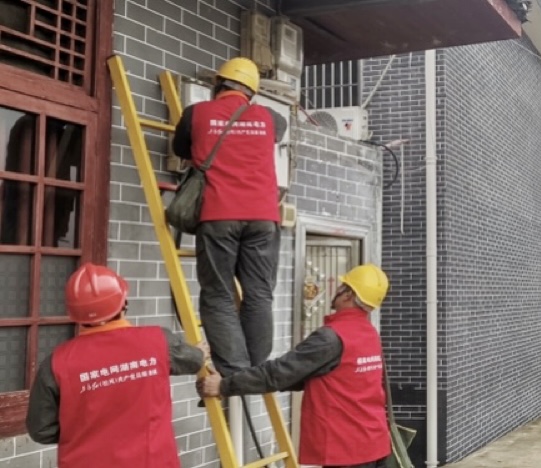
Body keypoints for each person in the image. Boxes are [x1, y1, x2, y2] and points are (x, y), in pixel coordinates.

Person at [197, 264, 391, 468]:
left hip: (346, 451)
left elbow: (280, 373)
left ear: (348, 295)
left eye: (342, 286)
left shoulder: (331, 337)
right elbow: (308, 376)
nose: (337, 289)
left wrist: (224, 385)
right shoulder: (369, 334)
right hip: (375, 444)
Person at [172, 57, 289, 376]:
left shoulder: (196, 114)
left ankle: (235, 371)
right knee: (260, 293)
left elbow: (181, 147)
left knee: (219, 293)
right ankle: (255, 366)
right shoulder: (272, 118)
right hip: (264, 217)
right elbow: (276, 131)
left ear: (217, 84)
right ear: (251, 92)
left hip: (218, 213)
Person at [26, 263, 207, 467]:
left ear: (74, 314)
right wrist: (201, 351)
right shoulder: (159, 341)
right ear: (124, 303)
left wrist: (83, 430)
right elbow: (194, 361)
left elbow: (41, 429)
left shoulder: (56, 362)